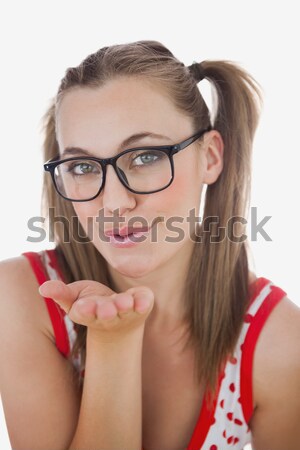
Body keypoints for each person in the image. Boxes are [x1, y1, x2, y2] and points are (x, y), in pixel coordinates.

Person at [0, 40, 299, 450]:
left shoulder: (280, 344)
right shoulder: (22, 297)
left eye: (145, 157)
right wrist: (113, 342)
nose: (115, 203)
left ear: (210, 157)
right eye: (84, 167)